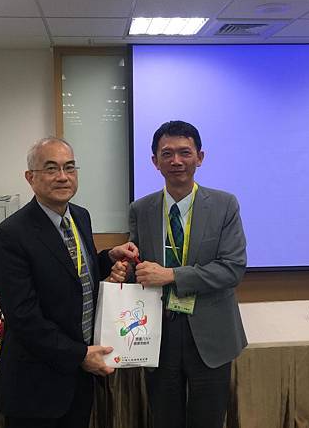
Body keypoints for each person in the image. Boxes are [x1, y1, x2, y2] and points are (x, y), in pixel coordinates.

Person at [0, 137, 138, 428]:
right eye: (51, 168)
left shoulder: (80, 216)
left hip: (78, 378)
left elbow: (73, 272)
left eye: (69, 167)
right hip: (36, 384)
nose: (63, 176)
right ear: (30, 177)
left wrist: (108, 258)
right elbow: (23, 316)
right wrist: (80, 355)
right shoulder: (10, 235)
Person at [110, 120, 248, 428]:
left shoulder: (225, 205)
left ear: (200, 157)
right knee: (164, 419)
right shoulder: (141, 209)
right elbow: (138, 267)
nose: (176, 161)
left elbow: (232, 268)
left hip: (211, 333)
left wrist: (172, 275)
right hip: (157, 334)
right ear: (154, 161)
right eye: (167, 153)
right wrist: (123, 266)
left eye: (185, 152)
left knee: (208, 420)